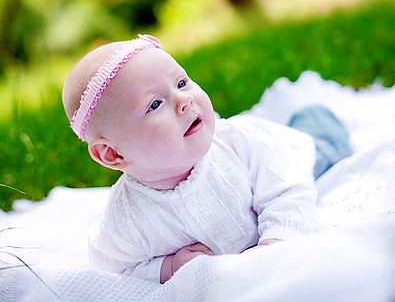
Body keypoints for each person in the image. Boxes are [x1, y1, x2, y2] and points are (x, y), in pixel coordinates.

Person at [62, 34, 351, 284]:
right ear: (112, 154)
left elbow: (288, 190)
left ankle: (315, 114)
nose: (184, 99)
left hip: (292, 158)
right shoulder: (127, 218)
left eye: (182, 82)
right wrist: (167, 268)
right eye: (155, 104)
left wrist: (277, 242)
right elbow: (113, 266)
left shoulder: (240, 144)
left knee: (325, 147)